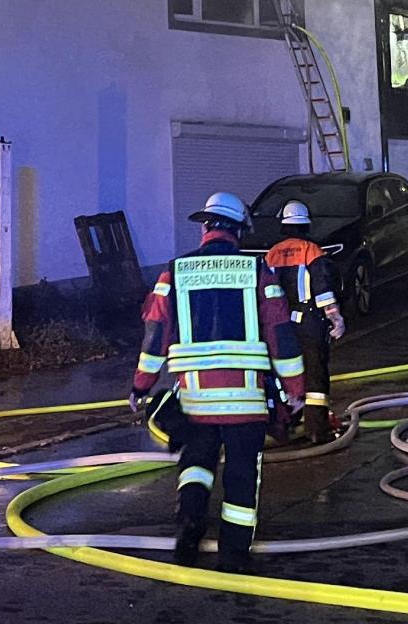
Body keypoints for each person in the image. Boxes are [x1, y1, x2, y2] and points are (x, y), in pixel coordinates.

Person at [131, 192, 306, 572]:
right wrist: (295, 391)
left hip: (195, 401)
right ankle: (233, 555)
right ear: (239, 231)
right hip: (246, 402)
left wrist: (141, 386)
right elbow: (280, 336)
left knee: (196, 463)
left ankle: (189, 523)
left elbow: (155, 335)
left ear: (206, 227)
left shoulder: (173, 272)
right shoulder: (258, 272)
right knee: (242, 474)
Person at [264, 201, 347, 444]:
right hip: (308, 322)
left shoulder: (272, 254)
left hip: (279, 326)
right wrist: (335, 317)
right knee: (315, 376)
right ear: (305, 225)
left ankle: (285, 426)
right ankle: (316, 430)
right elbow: (323, 289)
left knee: (282, 376)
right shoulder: (311, 251)